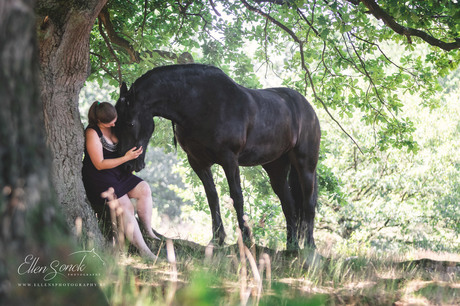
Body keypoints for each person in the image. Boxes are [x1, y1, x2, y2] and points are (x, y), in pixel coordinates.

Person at [82, 101, 159, 259]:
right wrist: (126, 158)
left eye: (115, 119)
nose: (114, 123)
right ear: (98, 121)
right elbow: (99, 164)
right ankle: (145, 251)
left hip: (117, 172)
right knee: (126, 208)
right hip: (99, 177)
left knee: (144, 189)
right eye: (111, 122)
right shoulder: (92, 132)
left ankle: (148, 232)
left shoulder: (115, 125)